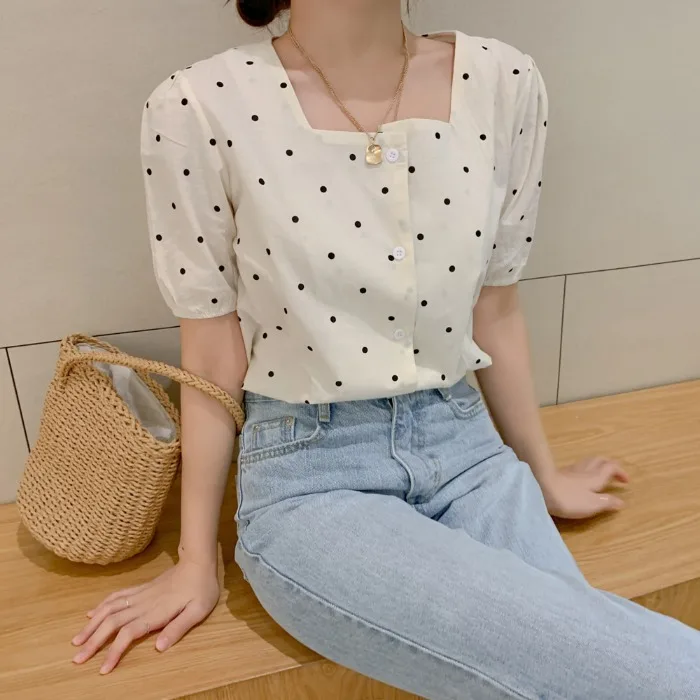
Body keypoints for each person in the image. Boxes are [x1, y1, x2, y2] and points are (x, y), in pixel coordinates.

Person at [71, 0, 700, 696]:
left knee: (583, 668)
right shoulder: (199, 105)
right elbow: (212, 354)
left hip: (468, 452)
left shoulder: (504, 81)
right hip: (312, 475)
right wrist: (197, 559)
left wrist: (541, 472)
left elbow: (496, 308)